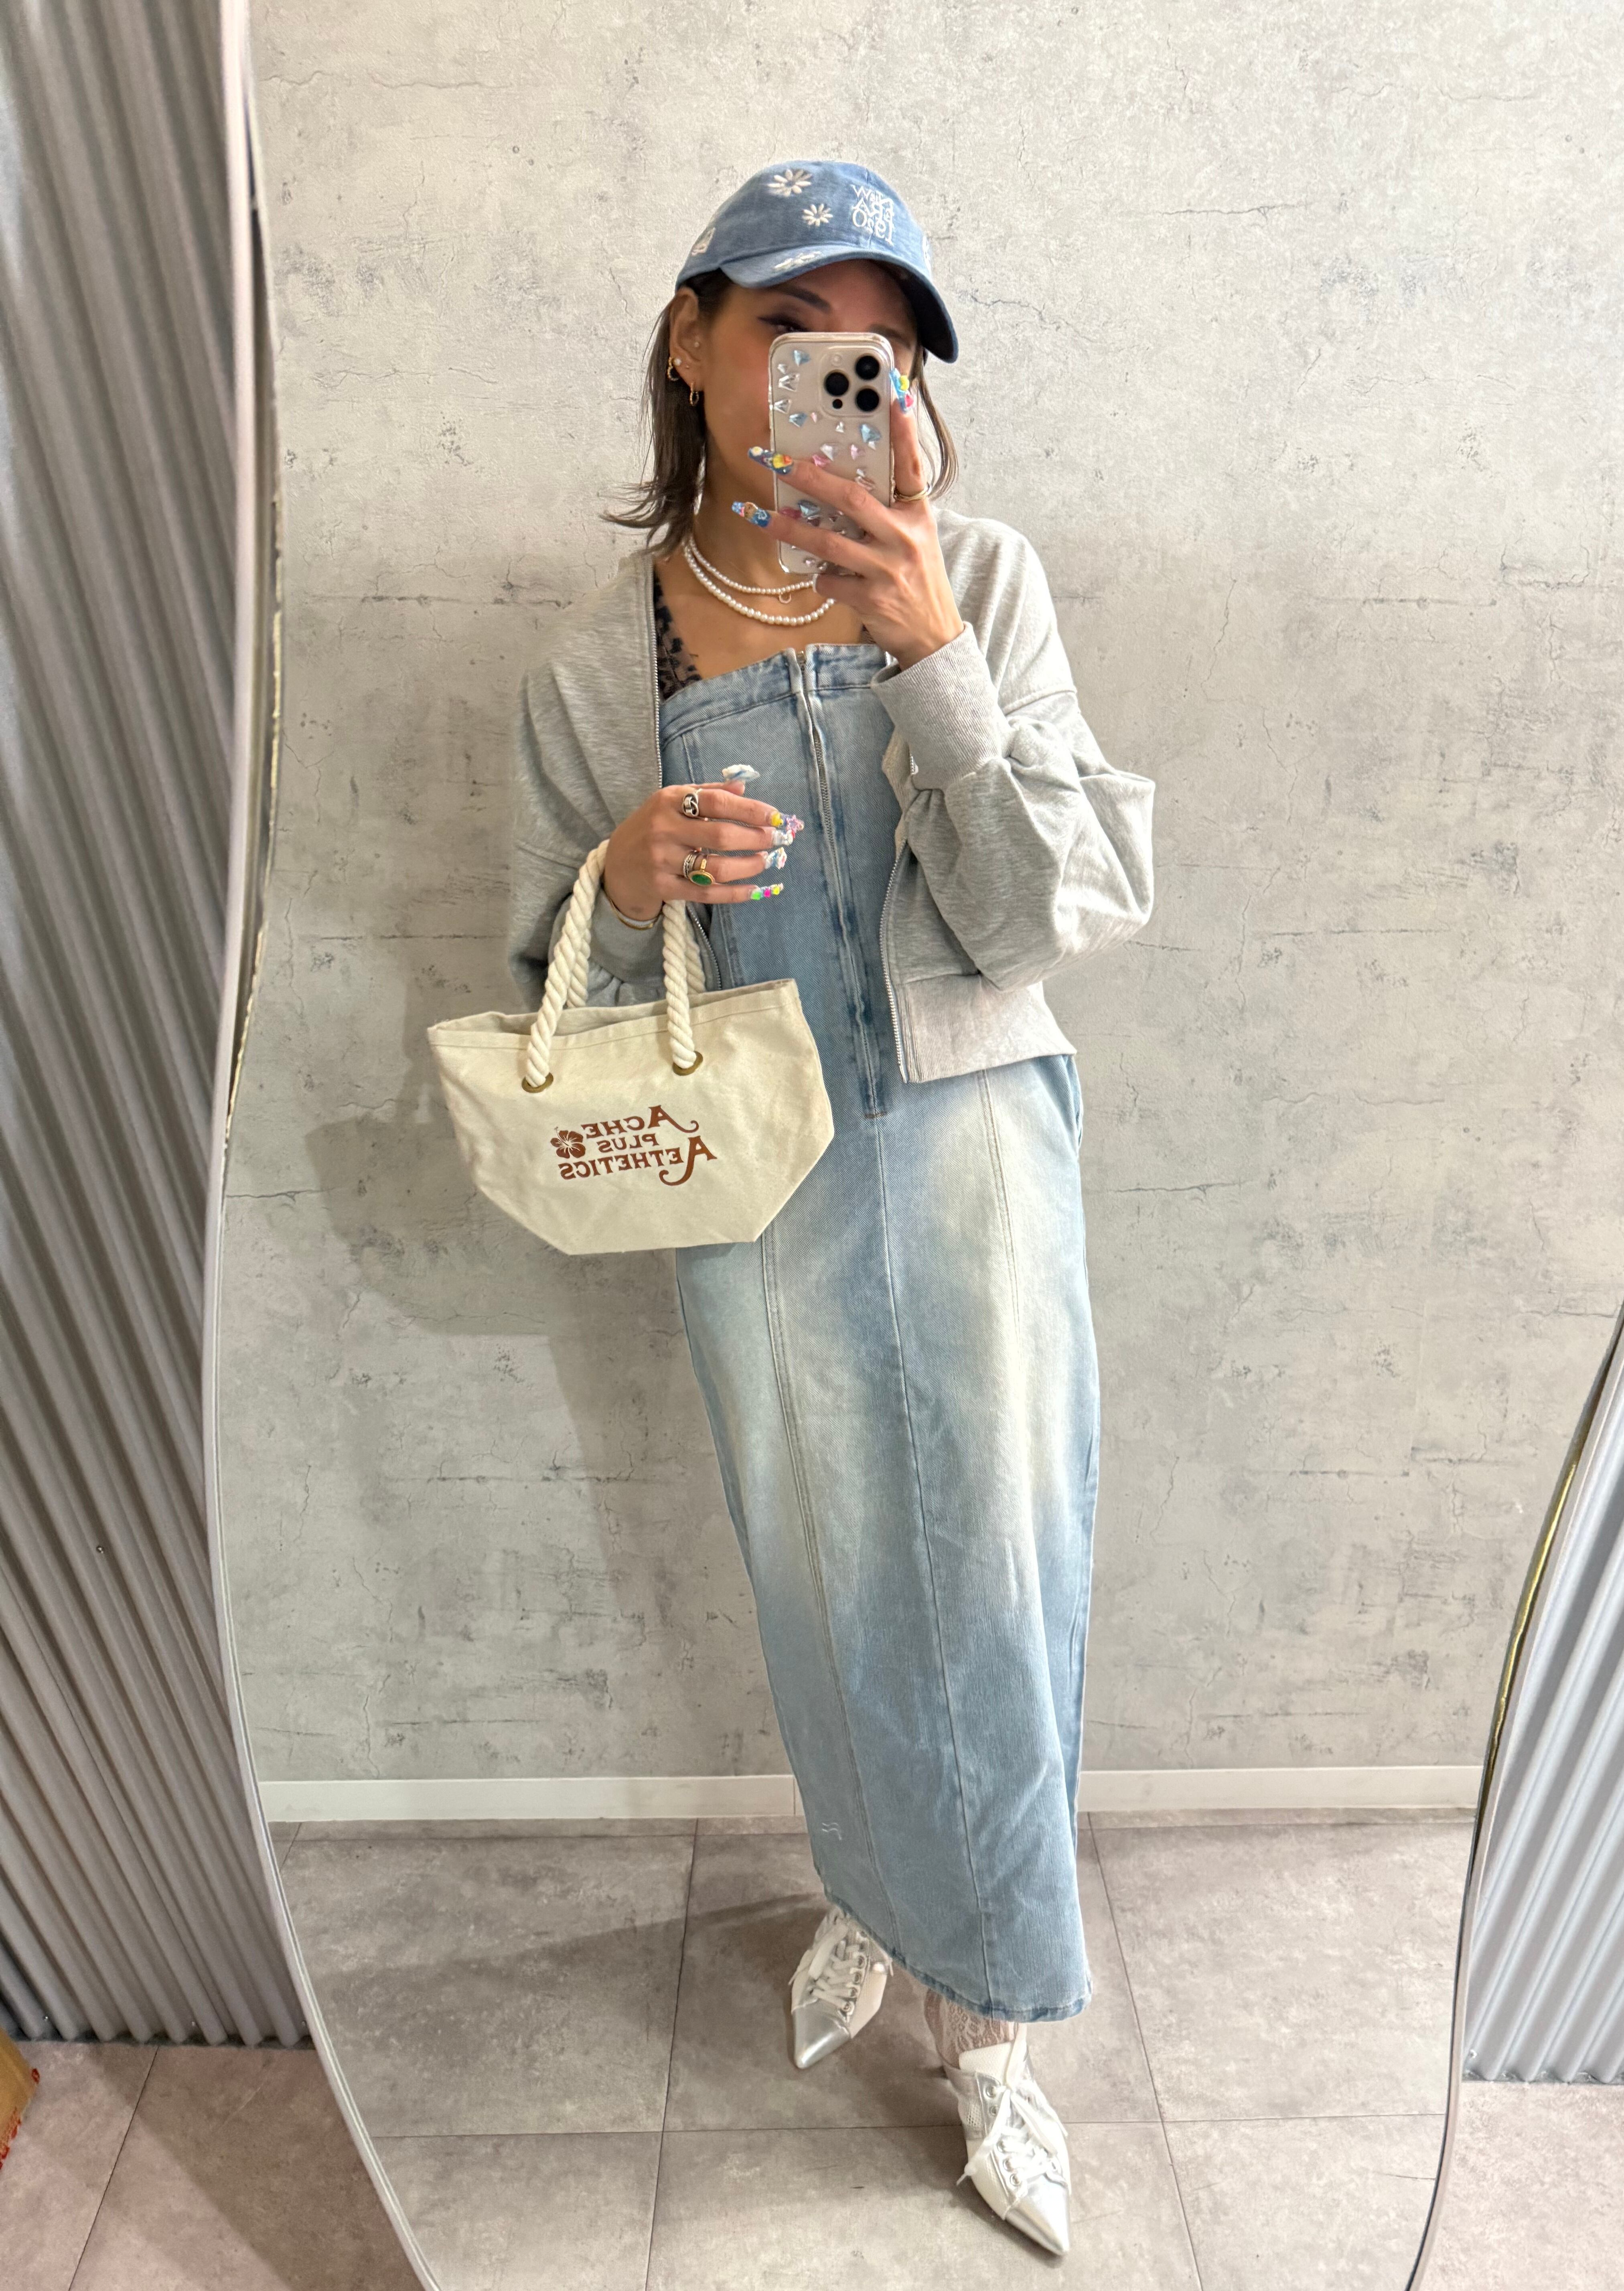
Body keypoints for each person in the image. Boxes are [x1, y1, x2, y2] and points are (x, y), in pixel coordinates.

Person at [506, 159, 1156, 2257]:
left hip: (973, 1157)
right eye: (788, 327)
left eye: (870, 346)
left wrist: (932, 659)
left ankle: (996, 2031)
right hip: (757, 1190)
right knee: (827, 1576)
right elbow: (550, 989)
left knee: (1005, 1585)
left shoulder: (985, 578)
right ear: (693, 338)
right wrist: (620, 883)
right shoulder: (597, 663)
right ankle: (877, 1895)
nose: (827, 371)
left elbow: (1055, 915)